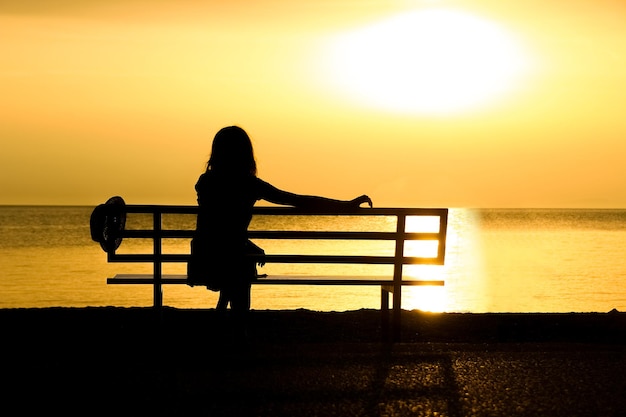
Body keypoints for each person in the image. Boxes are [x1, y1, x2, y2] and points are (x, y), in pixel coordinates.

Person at [193, 126, 372, 336]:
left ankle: (222, 321)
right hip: (230, 260)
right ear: (246, 155)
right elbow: (297, 200)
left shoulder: (206, 182)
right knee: (240, 266)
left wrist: (248, 246)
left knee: (236, 258)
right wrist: (345, 206)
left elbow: (215, 229)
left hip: (204, 259)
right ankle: (237, 330)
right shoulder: (249, 184)